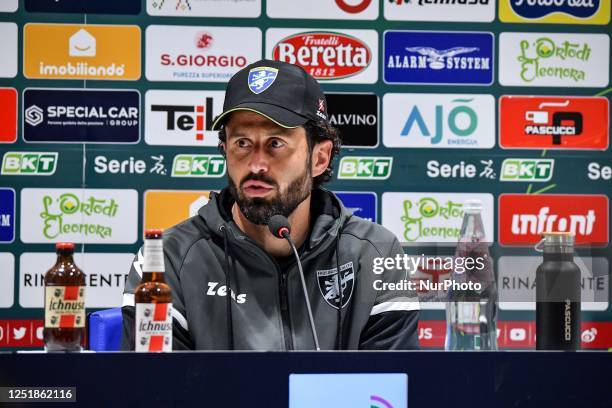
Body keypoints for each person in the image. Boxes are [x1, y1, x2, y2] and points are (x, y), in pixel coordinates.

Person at [121, 59, 420, 350]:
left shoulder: (374, 254)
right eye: (242, 143)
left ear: (319, 158)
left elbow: (388, 390)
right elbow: (157, 392)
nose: (257, 164)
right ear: (224, 150)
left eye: (276, 143)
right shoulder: (168, 260)